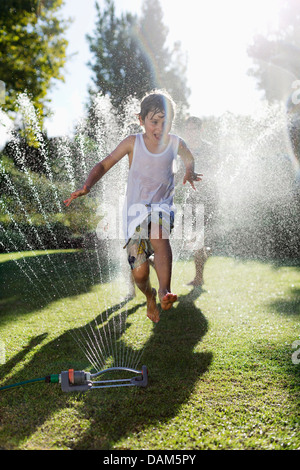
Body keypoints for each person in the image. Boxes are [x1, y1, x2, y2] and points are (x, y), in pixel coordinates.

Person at [64, 90, 202, 323]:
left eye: (165, 122)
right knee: (139, 273)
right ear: (141, 120)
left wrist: (189, 171)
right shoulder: (132, 143)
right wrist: (87, 185)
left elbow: (188, 156)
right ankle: (149, 295)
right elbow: (103, 164)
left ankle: (163, 291)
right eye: (154, 121)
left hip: (162, 208)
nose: (160, 128)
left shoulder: (175, 142)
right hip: (134, 216)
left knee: (159, 235)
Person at [182, 116, 218, 287]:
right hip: (190, 199)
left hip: (208, 197)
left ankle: (198, 278)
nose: (190, 133)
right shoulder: (182, 149)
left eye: (194, 129)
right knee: (192, 240)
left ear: (201, 130)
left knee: (197, 239)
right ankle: (206, 253)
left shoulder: (209, 148)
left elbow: (215, 171)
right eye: (188, 129)